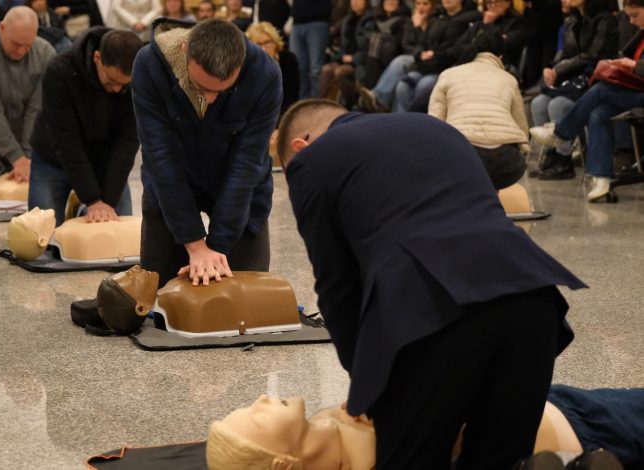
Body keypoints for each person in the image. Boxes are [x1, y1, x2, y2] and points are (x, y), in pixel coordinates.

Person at [277, 99, 586, 468]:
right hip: (531, 298)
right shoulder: (438, 129)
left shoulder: (313, 160)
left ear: (300, 146)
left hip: (432, 315)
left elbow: (336, 287)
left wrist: (368, 388)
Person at [131, 18, 282, 287]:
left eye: (223, 91)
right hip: (171, 189)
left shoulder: (264, 74)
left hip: (240, 193)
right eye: (202, 88)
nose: (211, 99)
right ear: (185, 49)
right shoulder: (150, 65)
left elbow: (246, 164)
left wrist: (218, 245)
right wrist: (194, 244)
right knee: (160, 294)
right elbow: (162, 157)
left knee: (246, 297)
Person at [206, 386, 643, 469]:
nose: (263, 397)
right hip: (583, 433)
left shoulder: (329, 424)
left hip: (556, 404)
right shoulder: (372, 459)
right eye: (259, 414)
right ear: (283, 462)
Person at [530, 0, 644, 201]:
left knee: (600, 91)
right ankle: (602, 178)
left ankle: (561, 133)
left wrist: (633, 65)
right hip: (635, 90)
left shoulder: (604, 23)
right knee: (598, 111)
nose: (631, 21)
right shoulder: (638, 34)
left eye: (635, 15)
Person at [29, 28, 143, 226]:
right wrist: (92, 199)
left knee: (117, 237)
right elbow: (67, 143)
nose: (117, 90)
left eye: (124, 85)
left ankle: (82, 207)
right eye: (112, 81)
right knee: (42, 236)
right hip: (54, 158)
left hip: (106, 160)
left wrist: (107, 201)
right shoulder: (59, 72)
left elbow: (127, 144)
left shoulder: (137, 79)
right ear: (97, 57)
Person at [0, 7, 56, 184]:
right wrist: (16, 157)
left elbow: (37, 109)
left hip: (25, 136)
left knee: (31, 188)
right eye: (16, 44)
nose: (21, 51)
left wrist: (27, 157)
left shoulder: (46, 54)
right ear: (2, 28)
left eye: (28, 45)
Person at [529, 0, 618, 180]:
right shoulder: (571, 20)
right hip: (571, 79)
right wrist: (550, 66)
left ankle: (564, 159)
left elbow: (594, 57)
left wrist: (559, 69)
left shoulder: (605, 21)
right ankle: (550, 156)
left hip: (592, 81)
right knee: (538, 103)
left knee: (558, 105)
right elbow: (565, 54)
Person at [428, 30, 529, 190]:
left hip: (463, 155)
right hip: (506, 161)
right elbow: (522, 127)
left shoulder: (448, 74)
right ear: (500, 57)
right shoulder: (509, 79)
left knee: (460, 171)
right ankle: (492, 205)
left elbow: (434, 124)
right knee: (493, 177)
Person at [393, 0, 481, 113]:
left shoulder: (470, 20)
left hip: (445, 68)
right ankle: (409, 121)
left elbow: (459, 50)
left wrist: (435, 54)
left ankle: (414, 122)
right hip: (425, 65)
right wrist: (420, 54)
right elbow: (422, 42)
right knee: (402, 86)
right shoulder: (436, 17)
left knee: (423, 86)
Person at [359, 0, 437, 112]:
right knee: (401, 85)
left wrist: (418, 28)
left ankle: (377, 98)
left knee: (401, 61)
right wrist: (415, 28)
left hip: (428, 62)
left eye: (425, 4)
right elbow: (406, 45)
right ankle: (377, 103)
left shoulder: (435, 23)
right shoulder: (411, 21)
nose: (421, 7)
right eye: (418, 4)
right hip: (414, 58)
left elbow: (429, 45)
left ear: (432, 6)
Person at [318, 0, 375, 108]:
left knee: (340, 72)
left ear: (366, 2)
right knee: (326, 69)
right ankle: (321, 105)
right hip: (344, 58)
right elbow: (339, 40)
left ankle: (349, 104)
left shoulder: (370, 21)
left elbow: (369, 48)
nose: (355, 2)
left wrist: (353, 58)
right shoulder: (348, 19)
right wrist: (338, 55)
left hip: (360, 62)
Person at [246, 22, 300, 116]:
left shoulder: (288, 60)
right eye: (258, 44)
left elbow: (291, 98)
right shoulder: (248, 66)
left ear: (275, 42)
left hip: (283, 116)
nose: (263, 49)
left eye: (267, 42)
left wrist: (279, 126)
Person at [290, 0, 332, 98]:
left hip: (318, 21)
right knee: (298, 68)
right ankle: (302, 103)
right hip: (297, 21)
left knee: (316, 69)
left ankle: (315, 104)